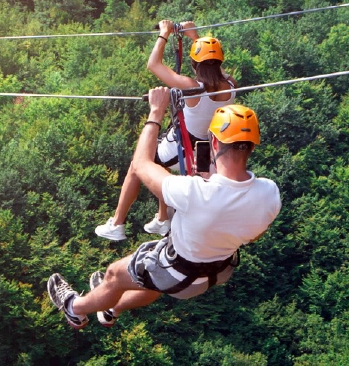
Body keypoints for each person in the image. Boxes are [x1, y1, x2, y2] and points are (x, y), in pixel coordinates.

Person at [48, 87, 281, 329]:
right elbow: (254, 234)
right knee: (152, 280)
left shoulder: (194, 191)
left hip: (178, 271)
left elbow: (140, 164)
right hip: (216, 272)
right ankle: (112, 309)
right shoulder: (269, 193)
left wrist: (156, 112)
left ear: (213, 141)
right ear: (253, 146)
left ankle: (74, 309)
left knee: (114, 275)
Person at [95, 20, 238, 241]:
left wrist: (164, 34)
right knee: (162, 165)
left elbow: (153, 64)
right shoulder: (231, 85)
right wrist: (194, 37)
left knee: (137, 164)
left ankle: (117, 223)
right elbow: (214, 66)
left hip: (184, 146)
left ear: (194, 64)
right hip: (206, 149)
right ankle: (163, 219)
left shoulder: (191, 87)